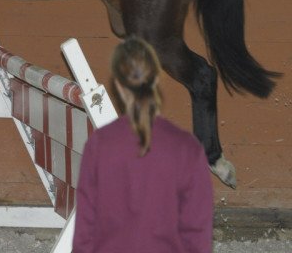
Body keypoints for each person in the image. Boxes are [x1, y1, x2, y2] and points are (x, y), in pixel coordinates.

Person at [73, 37, 213, 253]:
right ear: (157, 79)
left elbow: (85, 231)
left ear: (118, 85)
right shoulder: (188, 148)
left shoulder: (99, 145)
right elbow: (198, 234)